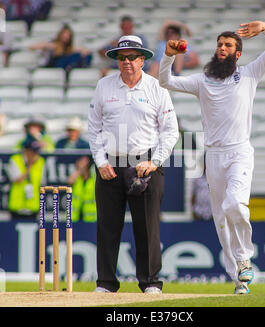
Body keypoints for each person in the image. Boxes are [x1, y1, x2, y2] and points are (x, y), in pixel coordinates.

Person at [158, 21, 265, 294]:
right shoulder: (202, 80)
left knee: (234, 205)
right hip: (213, 156)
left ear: (238, 54)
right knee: (221, 220)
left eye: (228, 45)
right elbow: (165, 81)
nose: (222, 49)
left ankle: (244, 256)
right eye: (219, 45)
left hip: (239, 151)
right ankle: (239, 280)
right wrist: (168, 55)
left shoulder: (250, 73)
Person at [88, 35, 179, 294]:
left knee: (148, 227)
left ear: (142, 60)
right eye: (122, 57)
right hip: (110, 166)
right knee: (107, 226)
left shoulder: (156, 87)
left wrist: (155, 161)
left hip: (145, 164)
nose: (127, 62)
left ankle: (150, 282)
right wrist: (101, 162)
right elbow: (94, 129)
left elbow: (171, 131)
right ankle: (105, 283)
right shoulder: (104, 86)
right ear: (117, 60)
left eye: (132, 57)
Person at [7, 137, 46, 219]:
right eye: (32, 151)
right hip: (17, 206)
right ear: (25, 150)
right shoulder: (15, 160)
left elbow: (42, 183)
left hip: (33, 205)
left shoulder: (40, 161)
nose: (34, 154)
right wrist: (29, 166)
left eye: (36, 151)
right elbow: (18, 179)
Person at [67, 156, 96, 222]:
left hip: (90, 218)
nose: (80, 164)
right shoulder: (76, 178)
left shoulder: (94, 179)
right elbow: (70, 182)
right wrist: (79, 170)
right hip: (75, 217)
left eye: (83, 162)